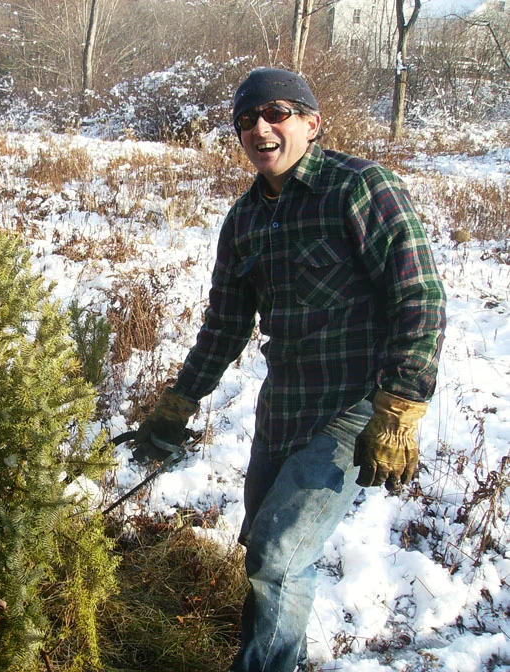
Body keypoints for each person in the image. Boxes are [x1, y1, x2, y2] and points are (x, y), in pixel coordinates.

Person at [133, 68, 446, 671]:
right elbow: (224, 326)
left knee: (279, 555)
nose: (261, 128)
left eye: (276, 113)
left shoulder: (361, 189)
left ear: (311, 122)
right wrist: (178, 403)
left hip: (355, 408)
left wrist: (401, 405)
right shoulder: (244, 220)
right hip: (283, 406)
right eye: (247, 120)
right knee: (262, 552)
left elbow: (420, 296)